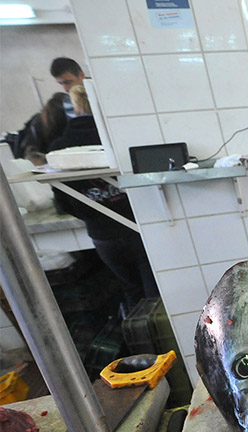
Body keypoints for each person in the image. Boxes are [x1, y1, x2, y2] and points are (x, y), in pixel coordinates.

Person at [50, 86, 159, 311]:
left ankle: (140, 340)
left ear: (75, 107)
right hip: (137, 228)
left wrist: (92, 213)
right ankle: (164, 338)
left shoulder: (58, 148)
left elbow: (62, 202)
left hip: (103, 236)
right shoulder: (118, 139)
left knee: (131, 291)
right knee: (155, 292)